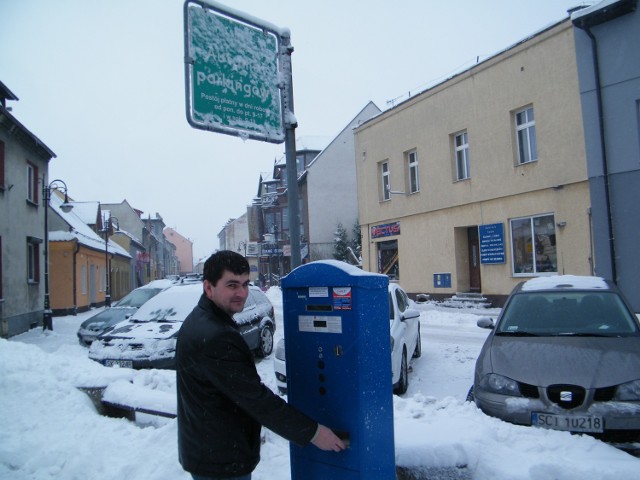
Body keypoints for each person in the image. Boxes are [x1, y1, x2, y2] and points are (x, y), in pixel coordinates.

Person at [176, 250, 345, 480]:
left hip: (210, 452)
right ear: (209, 287)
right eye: (232, 285)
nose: (242, 293)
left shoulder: (202, 320)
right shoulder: (215, 336)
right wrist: (313, 433)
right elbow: (256, 399)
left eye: (245, 284)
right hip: (221, 463)